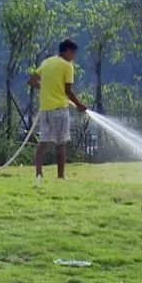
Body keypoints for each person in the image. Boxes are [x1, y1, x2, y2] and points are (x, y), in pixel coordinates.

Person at [28, 39, 87, 186]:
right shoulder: (67, 66)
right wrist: (79, 105)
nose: (73, 56)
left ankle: (38, 173)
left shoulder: (47, 62)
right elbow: (68, 91)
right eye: (73, 53)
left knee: (43, 143)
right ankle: (60, 175)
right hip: (59, 109)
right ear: (67, 51)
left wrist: (47, 88)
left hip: (45, 109)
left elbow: (32, 81)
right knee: (61, 143)